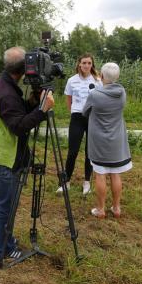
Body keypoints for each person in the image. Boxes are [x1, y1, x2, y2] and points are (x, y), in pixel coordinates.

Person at [0, 46, 55, 268]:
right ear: (24, 69)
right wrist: (42, 110)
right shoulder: (6, 93)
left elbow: (16, 111)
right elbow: (19, 126)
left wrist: (32, 102)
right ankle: (5, 249)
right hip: (4, 159)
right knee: (5, 206)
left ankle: (2, 241)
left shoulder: (4, 85)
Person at [82, 62, 132, 219]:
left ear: (101, 76)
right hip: (117, 139)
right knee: (116, 174)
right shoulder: (122, 92)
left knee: (100, 174)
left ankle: (100, 209)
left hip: (99, 141)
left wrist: (97, 87)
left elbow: (85, 111)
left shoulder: (95, 94)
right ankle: (116, 208)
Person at [57, 53, 101, 196]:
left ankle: (87, 181)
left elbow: (101, 99)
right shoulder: (72, 80)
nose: (86, 65)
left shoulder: (97, 80)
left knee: (90, 152)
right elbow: (69, 98)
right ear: (79, 64)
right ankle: (66, 182)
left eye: (89, 63)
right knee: (72, 151)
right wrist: (72, 111)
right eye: (84, 63)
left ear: (92, 65)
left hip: (92, 118)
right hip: (77, 117)